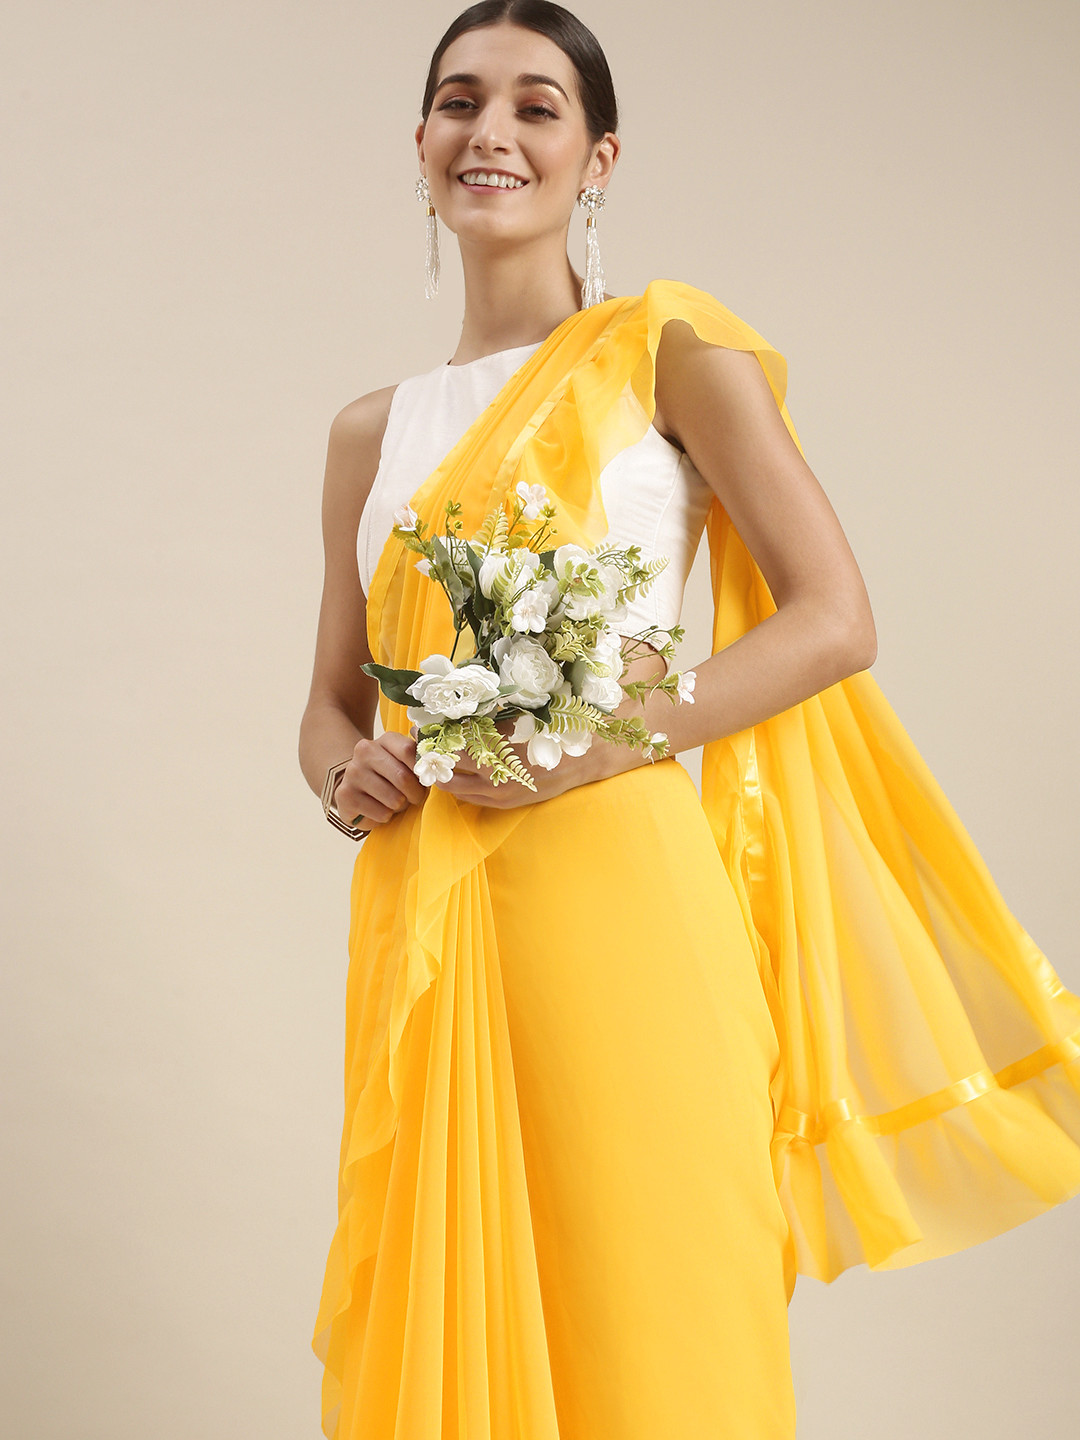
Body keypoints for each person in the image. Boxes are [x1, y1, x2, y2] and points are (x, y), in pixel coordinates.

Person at [297, 4, 1080, 1437]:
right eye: (460, 102)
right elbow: (330, 706)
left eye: (536, 106)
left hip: (623, 907)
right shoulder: (370, 433)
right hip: (428, 923)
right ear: (420, 143)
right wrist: (353, 778)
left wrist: (596, 741)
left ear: (599, 157)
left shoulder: (667, 351)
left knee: (659, 1329)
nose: (491, 132)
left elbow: (835, 615)